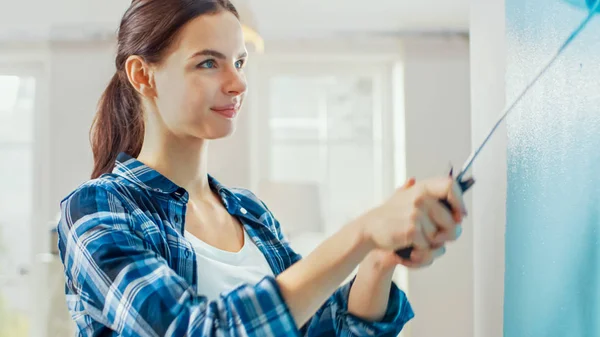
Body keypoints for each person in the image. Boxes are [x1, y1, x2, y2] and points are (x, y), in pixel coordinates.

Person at [57, 0, 468, 336]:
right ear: (142, 75)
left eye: (239, 62)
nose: (237, 83)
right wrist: (362, 231)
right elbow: (195, 330)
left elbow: (321, 329)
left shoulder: (250, 213)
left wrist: (379, 257)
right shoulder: (95, 209)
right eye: (208, 63)